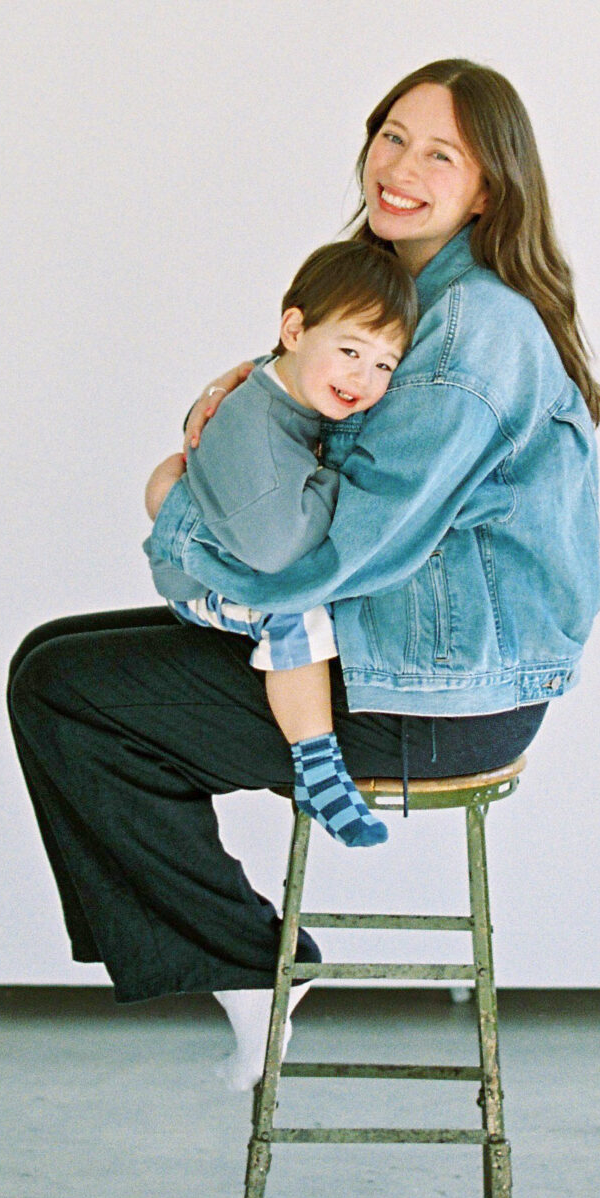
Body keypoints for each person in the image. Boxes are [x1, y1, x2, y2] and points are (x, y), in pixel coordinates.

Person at [7, 59, 600, 1091]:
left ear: (489, 188)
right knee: (50, 660)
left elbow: (317, 547)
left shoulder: (471, 330)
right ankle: (237, 956)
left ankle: (250, 966)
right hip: (400, 651)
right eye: (390, 135)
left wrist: (182, 520)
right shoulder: (404, 294)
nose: (400, 167)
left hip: (435, 695)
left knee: (69, 696)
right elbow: (289, 409)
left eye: (440, 153)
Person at [143, 238, 419, 853]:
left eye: (384, 365)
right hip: (205, 582)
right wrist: (340, 475)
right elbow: (277, 553)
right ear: (294, 329)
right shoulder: (257, 428)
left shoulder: (287, 388)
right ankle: (318, 770)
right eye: (350, 351)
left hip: (230, 550)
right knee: (295, 612)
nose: (363, 378)